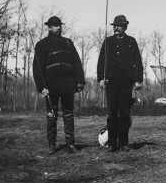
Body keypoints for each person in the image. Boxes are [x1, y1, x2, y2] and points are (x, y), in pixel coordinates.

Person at [33, 16, 85, 154]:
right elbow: (37, 68)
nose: (58, 27)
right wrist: (41, 86)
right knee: (51, 114)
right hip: (51, 85)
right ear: (49, 27)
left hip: (68, 84)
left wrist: (80, 81)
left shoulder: (68, 43)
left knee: (68, 114)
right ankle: (52, 144)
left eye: (59, 25)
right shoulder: (41, 45)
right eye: (55, 25)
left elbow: (77, 63)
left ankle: (71, 144)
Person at [97, 15, 143, 152]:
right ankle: (112, 143)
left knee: (124, 113)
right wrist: (101, 78)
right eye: (114, 26)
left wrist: (138, 80)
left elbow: (138, 62)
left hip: (126, 82)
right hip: (111, 82)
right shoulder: (108, 42)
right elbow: (101, 62)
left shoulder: (131, 41)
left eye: (119, 25)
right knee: (112, 113)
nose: (116, 28)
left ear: (125, 27)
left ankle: (123, 143)